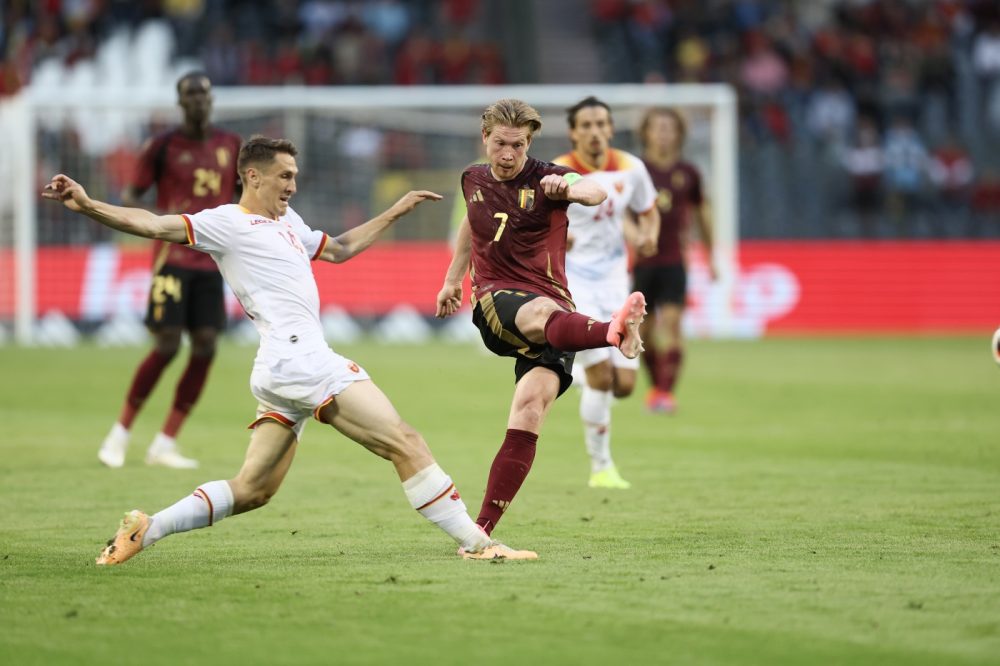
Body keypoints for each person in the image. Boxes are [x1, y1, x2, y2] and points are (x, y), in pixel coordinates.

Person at [43, 136, 537, 564]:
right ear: (252, 176)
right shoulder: (224, 223)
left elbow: (338, 249)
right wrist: (88, 205)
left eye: (295, 176)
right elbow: (152, 224)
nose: (293, 185)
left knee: (253, 490)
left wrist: (395, 210)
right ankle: (478, 543)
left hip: (281, 367)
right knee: (404, 441)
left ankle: (145, 529)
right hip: (302, 360)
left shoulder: (287, 221)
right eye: (284, 176)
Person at [435, 99, 647, 540]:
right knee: (543, 312)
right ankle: (611, 333)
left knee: (530, 411)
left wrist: (567, 188)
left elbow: (595, 192)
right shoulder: (472, 178)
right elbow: (472, 228)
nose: (507, 154)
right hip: (498, 302)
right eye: (499, 144)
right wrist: (453, 281)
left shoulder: (549, 176)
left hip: (556, 310)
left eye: (517, 145)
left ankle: (479, 533)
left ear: (529, 143)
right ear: (485, 140)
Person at [97, 71, 243, 470]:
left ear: (212, 100)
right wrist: (164, 221)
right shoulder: (161, 147)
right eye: (190, 95)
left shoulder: (231, 145)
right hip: (172, 260)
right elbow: (130, 195)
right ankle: (120, 433)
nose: (198, 101)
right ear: (180, 102)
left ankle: (164, 442)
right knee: (166, 346)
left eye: (204, 94)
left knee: (207, 346)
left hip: (212, 262)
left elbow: (241, 198)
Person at [553, 97, 660, 490]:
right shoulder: (559, 173)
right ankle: (602, 468)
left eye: (601, 123)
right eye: (586, 125)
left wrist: (650, 236)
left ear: (611, 128)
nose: (595, 131)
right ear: (573, 132)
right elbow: (535, 223)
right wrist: (561, 238)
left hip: (617, 282)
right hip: (575, 282)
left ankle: (575, 372)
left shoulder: (632, 168)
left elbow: (648, 209)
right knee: (602, 377)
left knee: (625, 386)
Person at [635, 108, 715, 414]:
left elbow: (701, 214)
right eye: (658, 128)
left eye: (669, 129)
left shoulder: (689, 173)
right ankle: (656, 388)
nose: (663, 134)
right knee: (643, 333)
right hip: (641, 262)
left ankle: (666, 394)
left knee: (672, 325)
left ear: (678, 134)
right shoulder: (636, 170)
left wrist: (711, 255)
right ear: (647, 133)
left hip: (674, 261)